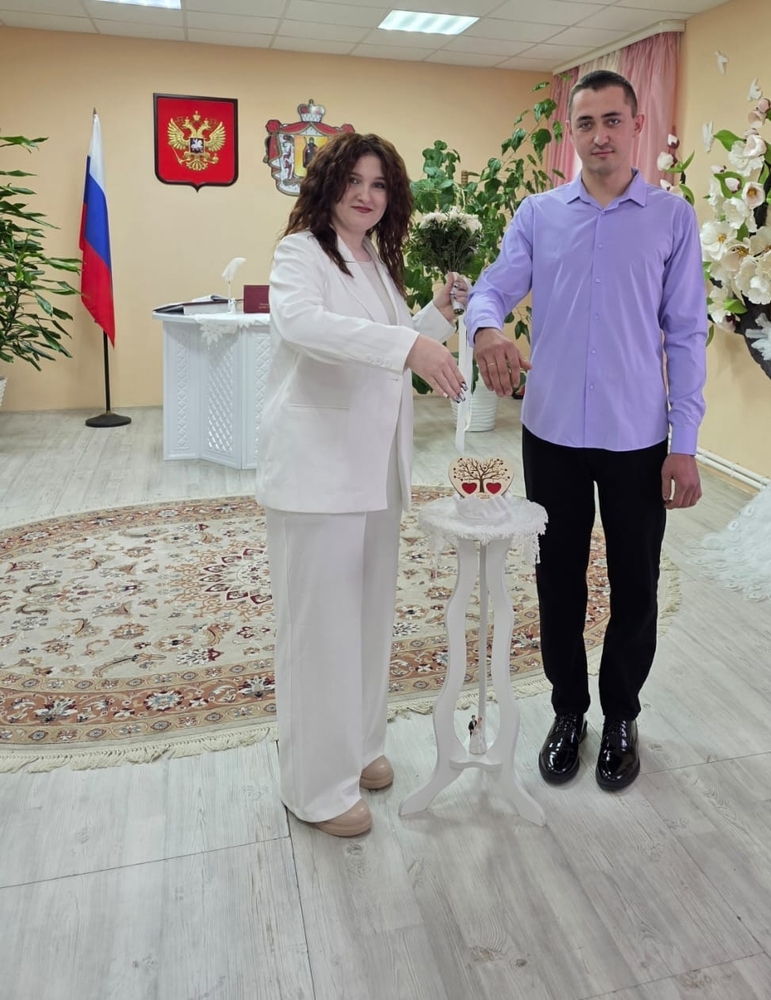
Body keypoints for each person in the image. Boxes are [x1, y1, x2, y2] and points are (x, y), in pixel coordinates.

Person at [465, 70, 708, 792]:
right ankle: (568, 710)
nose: (598, 136)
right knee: (557, 580)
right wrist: (486, 329)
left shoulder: (671, 219)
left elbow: (686, 334)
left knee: (636, 583)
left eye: (611, 120)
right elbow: (491, 288)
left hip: (637, 437)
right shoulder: (539, 215)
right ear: (570, 133)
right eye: (585, 123)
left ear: (636, 125)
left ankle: (622, 715)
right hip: (551, 435)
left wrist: (685, 443)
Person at [257, 132, 467, 837]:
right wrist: (410, 343)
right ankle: (315, 787)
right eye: (353, 180)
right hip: (317, 470)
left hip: (375, 470)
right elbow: (305, 325)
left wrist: (435, 317)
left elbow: (391, 340)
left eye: (379, 184)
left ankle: (359, 747)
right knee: (319, 630)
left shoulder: (374, 260)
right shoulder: (301, 253)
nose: (366, 195)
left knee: (369, 618)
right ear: (328, 184)